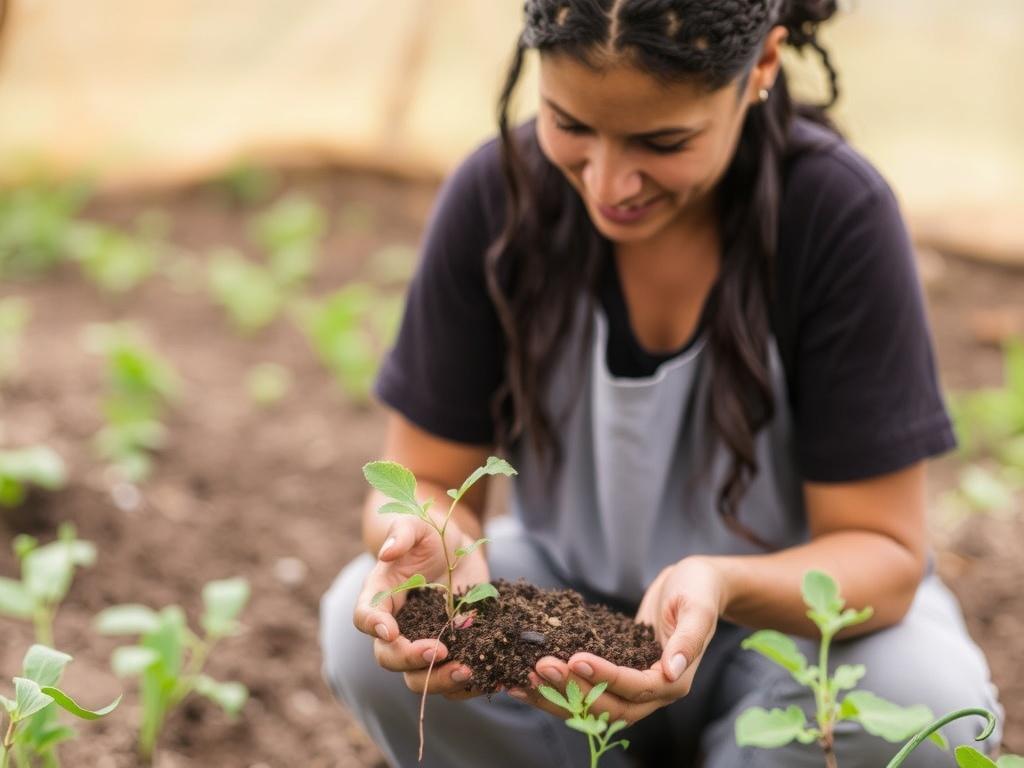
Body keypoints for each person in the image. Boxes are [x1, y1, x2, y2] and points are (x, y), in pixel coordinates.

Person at [320, 1, 1003, 766]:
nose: (609, 182)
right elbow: (422, 476)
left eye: (664, 141)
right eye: (570, 125)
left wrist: (718, 582)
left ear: (762, 68)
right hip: (564, 615)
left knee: (924, 712)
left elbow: (885, 551)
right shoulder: (498, 198)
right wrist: (435, 543)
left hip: (779, 641)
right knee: (364, 637)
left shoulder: (833, 214)